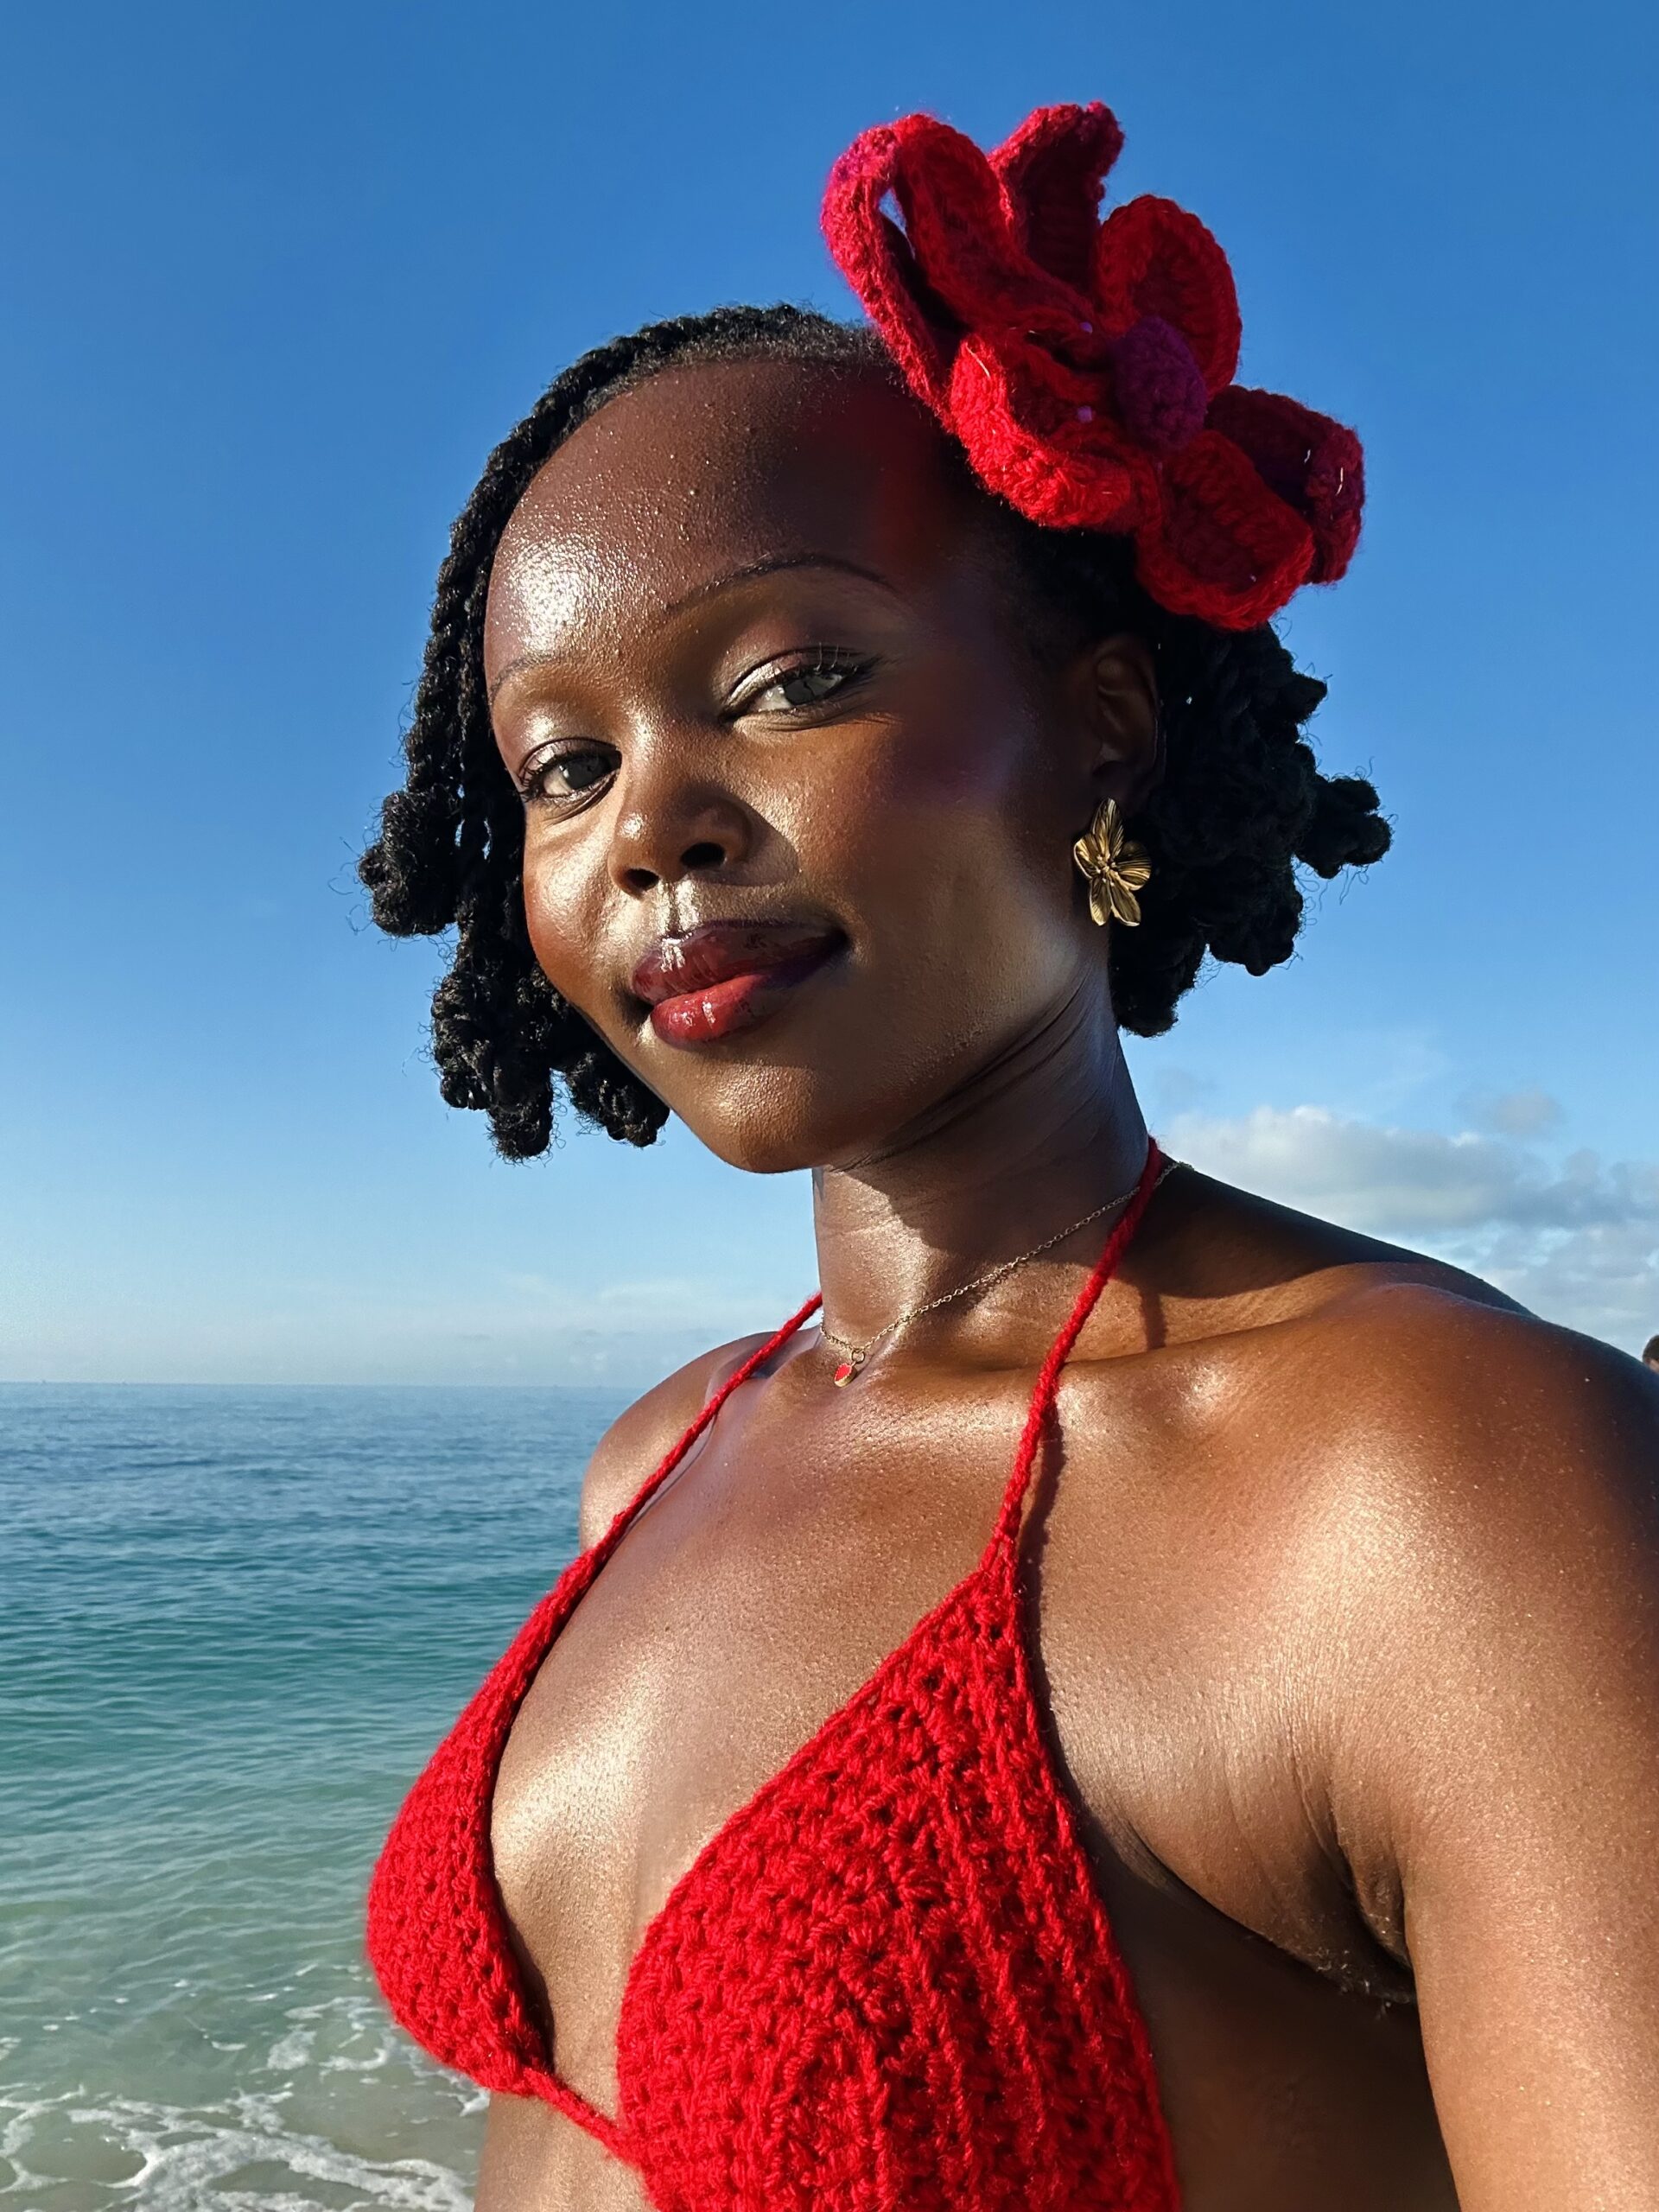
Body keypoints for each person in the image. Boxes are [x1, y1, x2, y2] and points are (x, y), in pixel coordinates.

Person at [359, 102, 1659, 2212]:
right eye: (564, 763)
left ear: (1106, 727)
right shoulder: (659, 1454)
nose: (647, 826)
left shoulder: (1425, 1485)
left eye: (790, 679)